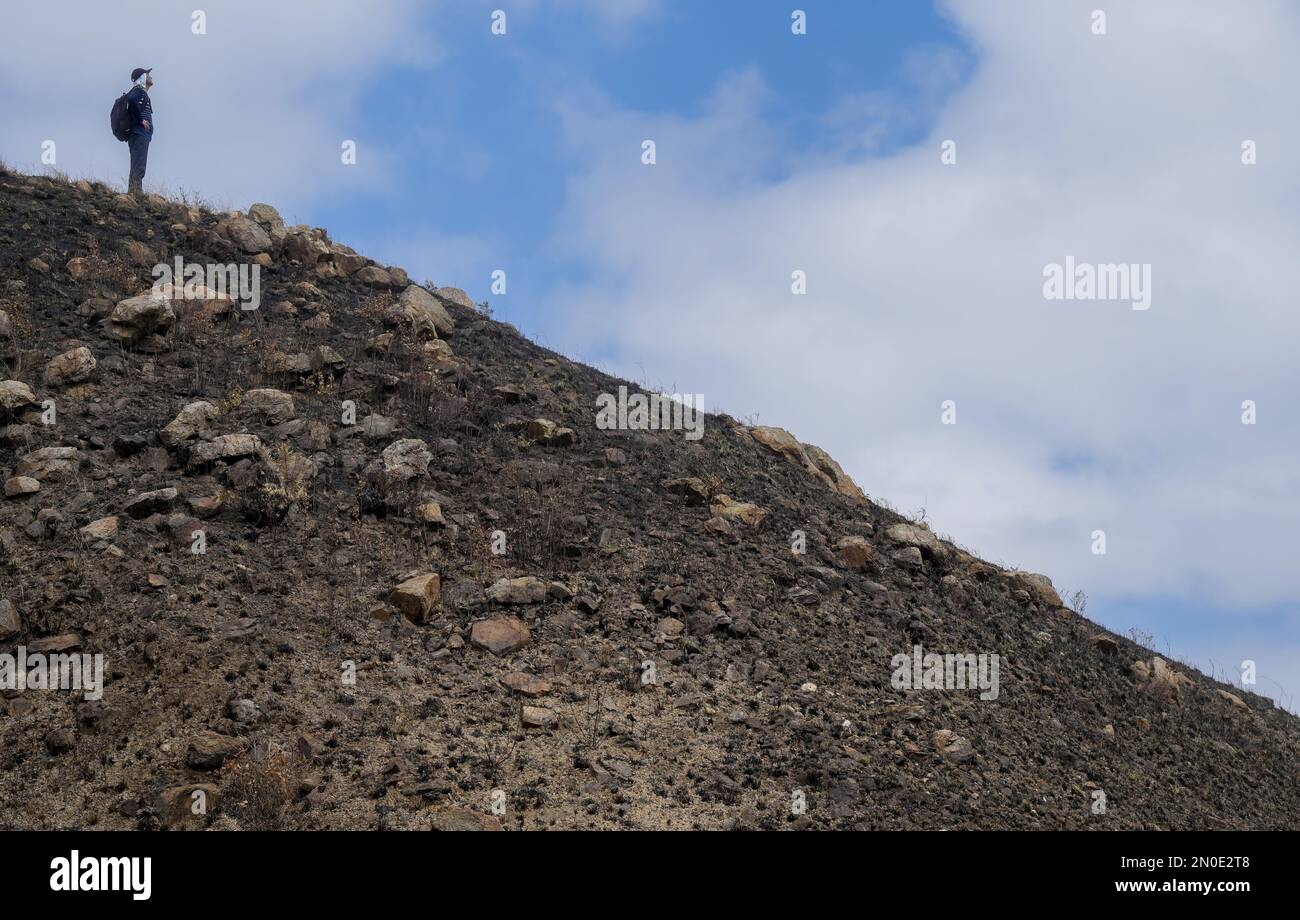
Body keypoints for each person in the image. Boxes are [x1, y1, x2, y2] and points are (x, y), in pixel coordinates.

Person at [125, 67, 154, 196]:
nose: (151, 77)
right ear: (142, 78)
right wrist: (141, 121)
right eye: (148, 75)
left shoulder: (142, 93)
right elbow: (131, 100)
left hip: (139, 134)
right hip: (139, 134)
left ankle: (134, 192)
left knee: (136, 164)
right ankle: (136, 194)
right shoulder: (138, 91)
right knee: (139, 166)